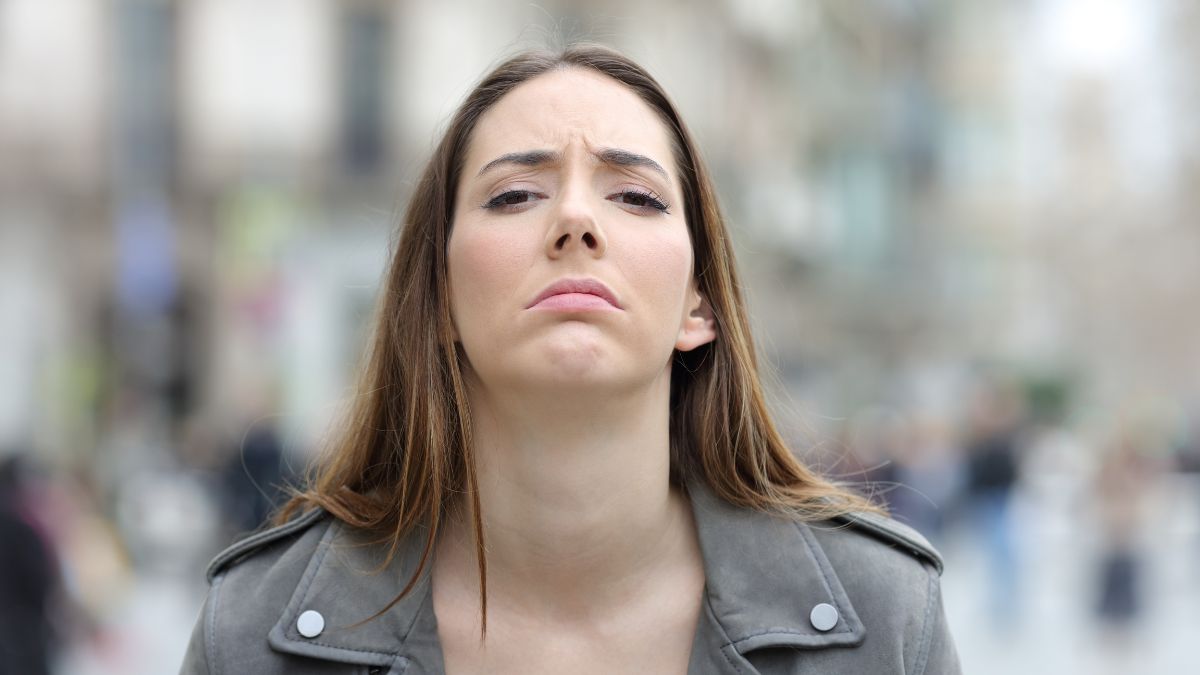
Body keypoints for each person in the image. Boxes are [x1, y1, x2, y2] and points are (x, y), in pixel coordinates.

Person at [181, 44, 960, 674]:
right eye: (515, 194)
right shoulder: (255, 632)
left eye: (637, 196)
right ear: (440, 298)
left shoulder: (883, 621)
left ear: (700, 303)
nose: (577, 219)